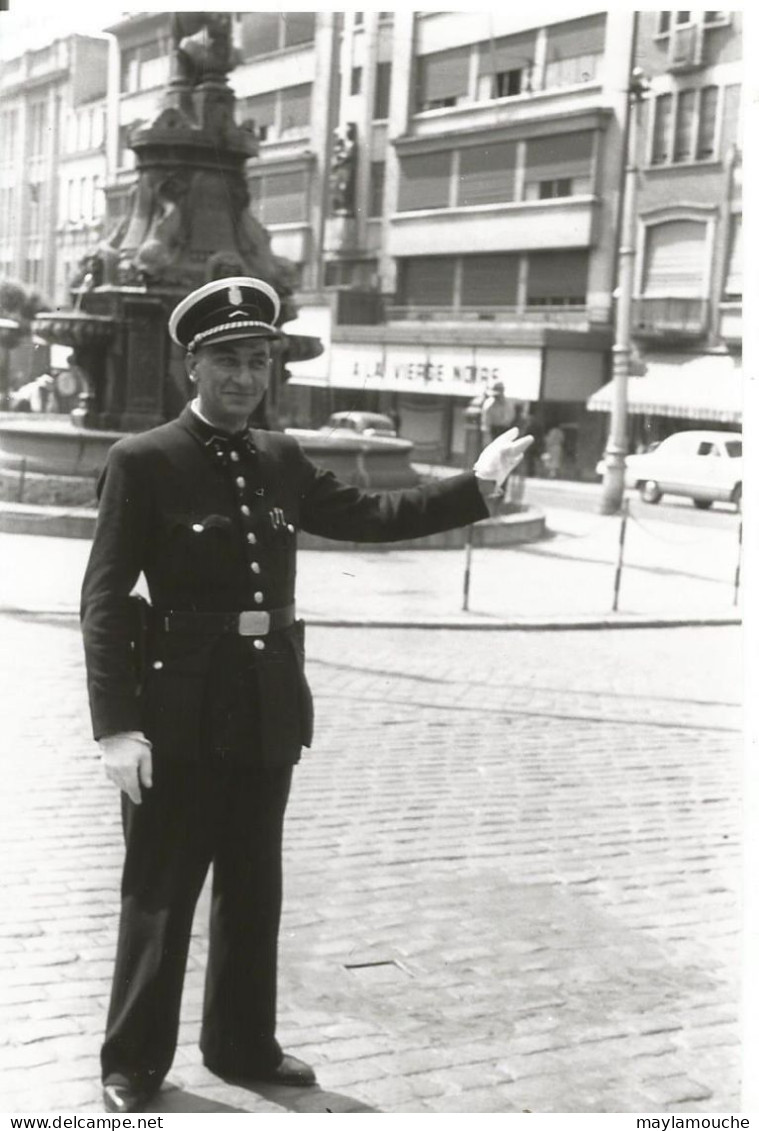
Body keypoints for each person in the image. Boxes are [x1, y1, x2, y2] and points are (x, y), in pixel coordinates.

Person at [80, 277, 532, 1114]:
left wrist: (473, 483)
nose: (243, 378)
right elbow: (104, 599)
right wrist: (117, 728)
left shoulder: (280, 456)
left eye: (257, 361)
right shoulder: (141, 460)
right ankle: (134, 1059)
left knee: (255, 883)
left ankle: (242, 1042)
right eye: (226, 361)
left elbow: (369, 514)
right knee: (161, 889)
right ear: (193, 366)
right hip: (176, 710)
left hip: (265, 705)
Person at [479, 380, 515, 444]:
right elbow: (486, 426)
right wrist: (487, 441)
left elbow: (511, 418)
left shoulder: (509, 403)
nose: (497, 397)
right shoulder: (489, 405)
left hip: (507, 431)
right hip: (494, 432)